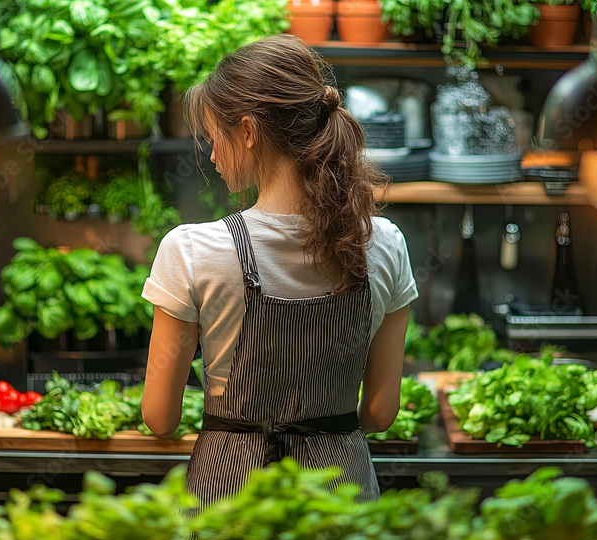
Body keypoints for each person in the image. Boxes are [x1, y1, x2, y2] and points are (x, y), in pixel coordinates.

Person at [140, 34, 418, 505]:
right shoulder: (384, 243)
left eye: (214, 138)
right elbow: (378, 413)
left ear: (247, 131)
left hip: (230, 508)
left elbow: (160, 418)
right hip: (339, 506)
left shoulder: (191, 250)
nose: (211, 155)